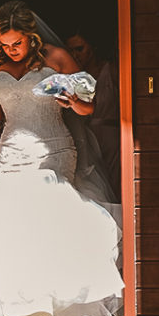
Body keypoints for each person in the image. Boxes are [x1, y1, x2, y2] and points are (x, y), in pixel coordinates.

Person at [0, 0, 124, 316]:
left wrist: (72, 101)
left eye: (17, 43)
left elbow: (89, 107)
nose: (11, 49)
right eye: (5, 44)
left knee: (51, 227)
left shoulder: (56, 58)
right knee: (15, 233)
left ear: (31, 36)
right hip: (11, 155)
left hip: (53, 150)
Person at [65, 24, 121, 194]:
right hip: (83, 137)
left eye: (80, 49)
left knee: (114, 181)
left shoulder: (111, 70)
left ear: (92, 46)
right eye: (71, 51)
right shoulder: (73, 76)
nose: (75, 55)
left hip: (109, 136)